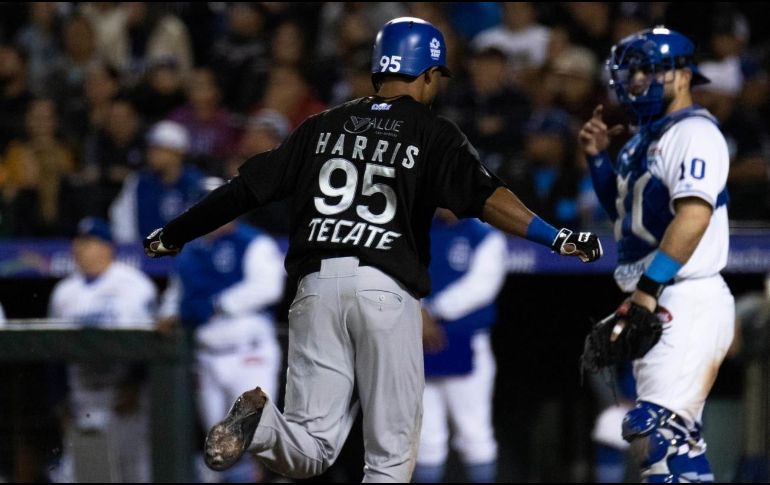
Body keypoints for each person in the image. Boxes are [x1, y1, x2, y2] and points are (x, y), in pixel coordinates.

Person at [144, 17, 602, 482]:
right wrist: (557, 236)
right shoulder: (431, 131)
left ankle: (261, 426)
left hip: (314, 291)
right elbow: (489, 199)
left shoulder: (319, 126)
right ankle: (265, 427)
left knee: (309, 450)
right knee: (390, 458)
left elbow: (242, 190)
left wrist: (174, 233)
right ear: (426, 73)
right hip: (385, 289)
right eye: (435, 77)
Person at [579, 27, 734, 482]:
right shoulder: (642, 139)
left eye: (650, 71)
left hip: (685, 293)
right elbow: (630, 217)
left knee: (665, 437)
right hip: (658, 293)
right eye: (633, 73)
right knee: (662, 443)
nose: (638, 81)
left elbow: (693, 218)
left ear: (683, 75)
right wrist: (598, 161)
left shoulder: (694, 132)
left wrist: (646, 291)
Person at [157, 177, 285, 482]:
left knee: (251, 441)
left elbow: (268, 287)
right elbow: (176, 294)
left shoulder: (254, 242)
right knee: (218, 447)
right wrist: (168, 313)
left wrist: (218, 304)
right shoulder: (189, 251)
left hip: (249, 353)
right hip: (208, 357)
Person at [48, 217, 158, 482]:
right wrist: (59, 398)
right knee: (79, 473)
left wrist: (134, 384)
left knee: (133, 471)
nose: (79, 248)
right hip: (82, 397)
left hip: (123, 396)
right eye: (77, 242)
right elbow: (51, 350)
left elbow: (151, 343)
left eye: (88, 242)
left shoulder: (134, 285)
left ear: (107, 247)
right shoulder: (64, 292)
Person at [413, 209, 507, 483]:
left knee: (474, 433)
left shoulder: (484, 235)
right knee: (426, 438)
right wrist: (415, 311)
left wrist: (430, 312)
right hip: (417, 342)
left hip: (467, 342)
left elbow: (481, 287)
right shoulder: (418, 229)